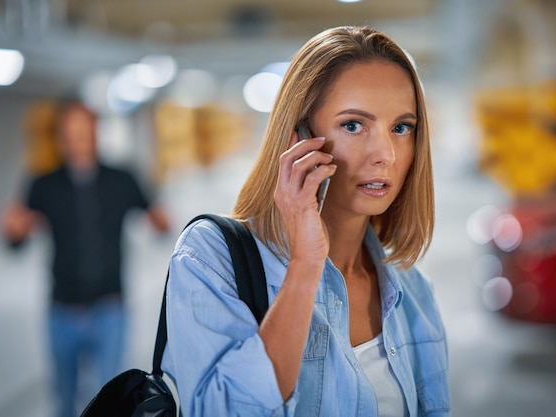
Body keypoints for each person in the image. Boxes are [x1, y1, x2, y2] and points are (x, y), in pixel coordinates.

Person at [162, 26, 450, 417]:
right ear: (297, 139)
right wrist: (305, 266)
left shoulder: (413, 291)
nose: (386, 155)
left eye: (402, 128)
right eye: (353, 125)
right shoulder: (209, 257)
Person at [0, 100, 170, 417]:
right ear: (62, 137)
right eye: (71, 131)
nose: (78, 138)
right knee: (64, 398)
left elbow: (159, 224)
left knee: (109, 401)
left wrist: (162, 219)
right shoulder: (44, 183)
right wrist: (12, 231)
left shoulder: (122, 178)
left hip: (110, 309)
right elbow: (16, 241)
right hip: (63, 310)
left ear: (96, 131)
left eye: (85, 129)